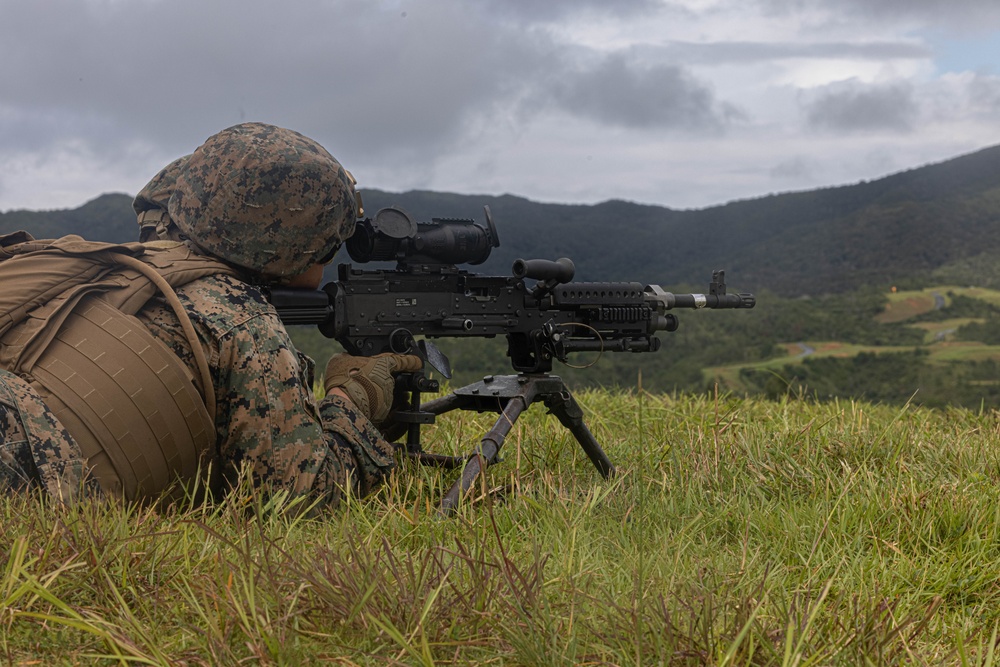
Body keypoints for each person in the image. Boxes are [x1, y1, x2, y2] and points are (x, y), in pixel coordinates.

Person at [0, 122, 419, 508]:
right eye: (327, 245)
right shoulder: (240, 320)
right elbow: (297, 500)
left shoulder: (115, 267)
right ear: (294, 248)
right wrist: (352, 400)